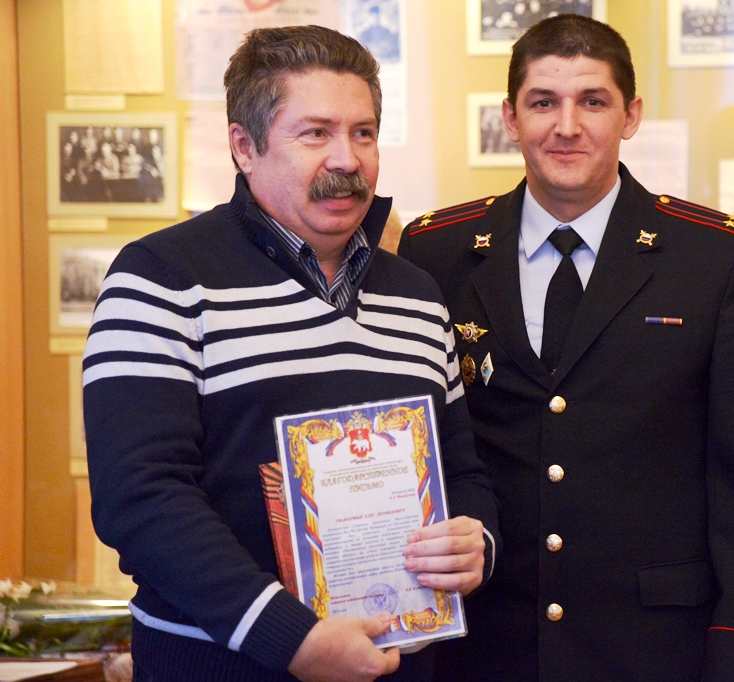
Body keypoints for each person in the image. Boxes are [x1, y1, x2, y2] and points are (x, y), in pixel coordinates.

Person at [84, 25, 500, 682]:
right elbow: (139, 498)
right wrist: (290, 638)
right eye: (315, 134)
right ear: (244, 147)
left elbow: (462, 474)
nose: (347, 158)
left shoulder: (418, 294)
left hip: (399, 663)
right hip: (218, 667)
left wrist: (477, 541)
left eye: (363, 133)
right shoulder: (160, 277)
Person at [399, 14, 734, 681]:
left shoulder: (716, 257)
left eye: (592, 101)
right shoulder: (437, 250)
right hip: (484, 646)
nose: (567, 126)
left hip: (653, 649)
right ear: (510, 118)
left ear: (630, 116)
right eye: (542, 102)